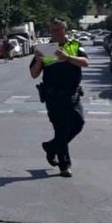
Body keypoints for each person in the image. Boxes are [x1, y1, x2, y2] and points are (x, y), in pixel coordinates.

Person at [30, 19, 88, 177]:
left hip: (73, 94)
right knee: (61, 129)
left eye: (57, 30)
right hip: (53, 95)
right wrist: (39, 61)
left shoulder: (74, 45)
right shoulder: (46, 48)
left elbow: (85, 62)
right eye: (52, 31)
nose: (54, 33)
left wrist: (68, 57)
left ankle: (52, 147)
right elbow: (34, 74)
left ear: (65, 30)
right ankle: (64, 165)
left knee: (78, 123)